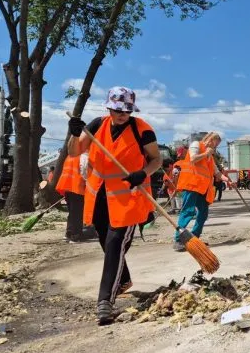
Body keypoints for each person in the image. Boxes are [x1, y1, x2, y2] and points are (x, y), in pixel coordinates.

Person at [67, 86, 162, 325]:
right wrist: (74, 133)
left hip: (129, 197)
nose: (122, 114)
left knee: (114, 244)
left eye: (126, 110)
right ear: (109, 107)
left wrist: (142, 173)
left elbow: (157, 159)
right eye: (118, 110)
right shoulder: (97, 125)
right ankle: (123, 280)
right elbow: (74, 151)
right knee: (105, 241)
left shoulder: (143, 130)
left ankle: (105, 302)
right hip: (99, 195)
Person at [173, 132, 232, 251]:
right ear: (210, 140)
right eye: (215, 144)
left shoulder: (210, 157)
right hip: (191, 186)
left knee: (203, 213)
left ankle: (195, 238)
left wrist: (228, 180)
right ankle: (178, 240)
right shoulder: (196, 145)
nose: (215, 147)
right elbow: (193, 159)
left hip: (202, 189)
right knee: (188, 212)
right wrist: (206, 153)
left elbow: (217, 173)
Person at [55, 152, 91, 242]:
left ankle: (69, 233)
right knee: (78, 213)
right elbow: (84, 171)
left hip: (67, 187)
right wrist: (88, 183)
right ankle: (76, 235)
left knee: (72, 212)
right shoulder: (83, 156)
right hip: (77, 187)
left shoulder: (70, 156)